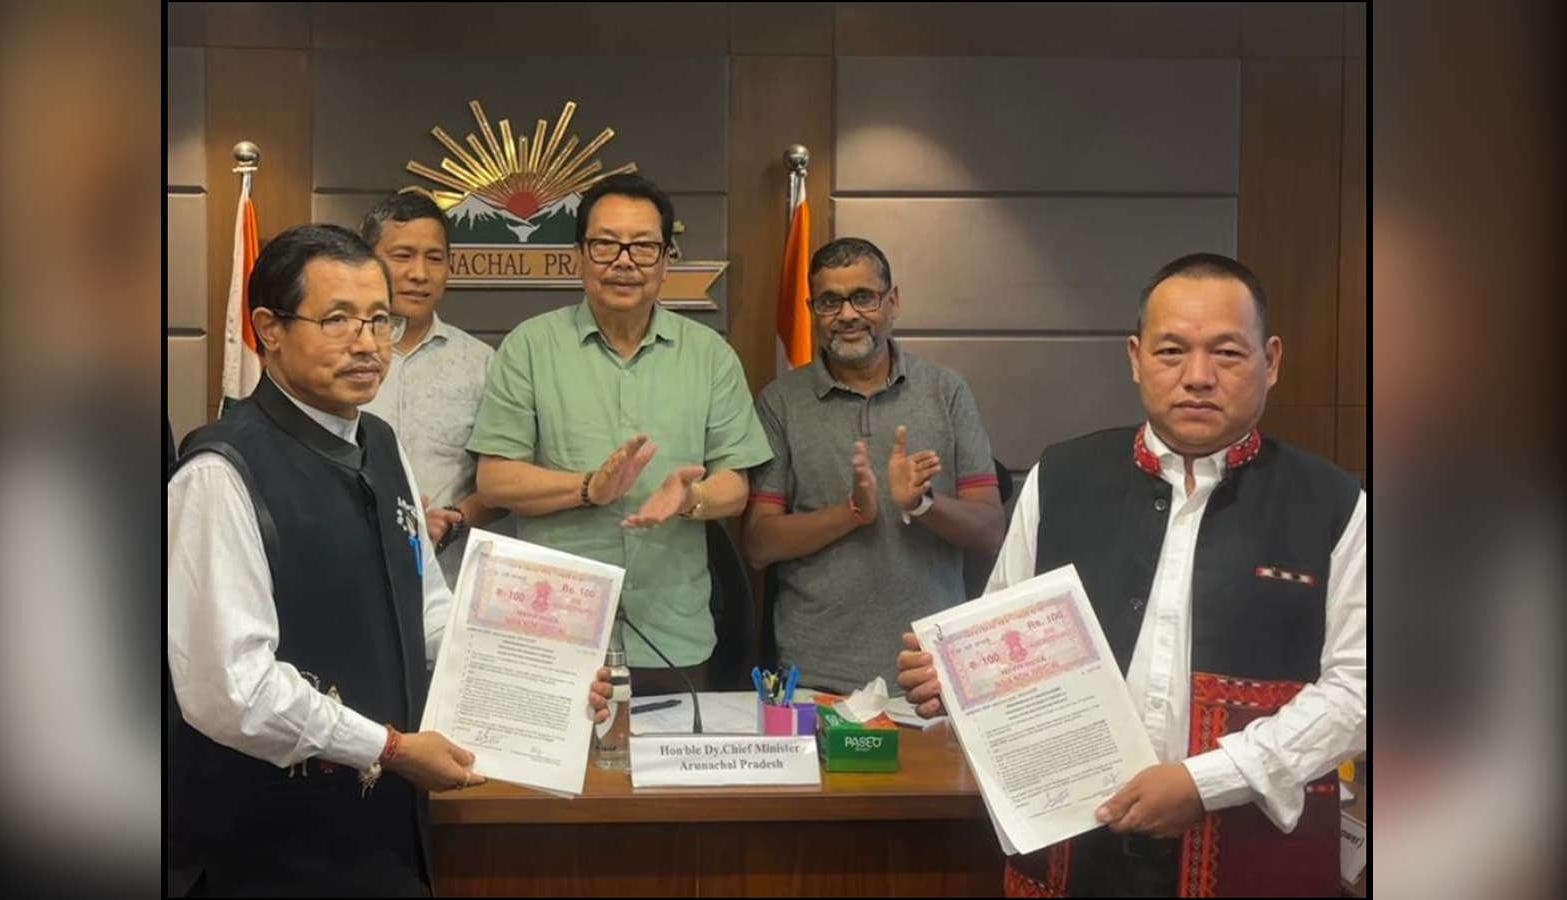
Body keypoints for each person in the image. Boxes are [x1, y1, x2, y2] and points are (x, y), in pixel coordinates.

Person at [897, 253, 1366, 897]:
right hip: (1074, 853)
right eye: (1171, 351)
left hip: (1253, 857)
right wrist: (955, 680)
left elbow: (1359, 688)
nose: (1197, 377)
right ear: (1136, 358)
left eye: (1227, 353)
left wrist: (1207, 782)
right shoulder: (1062, 478)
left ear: (1272, 360)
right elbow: (1003, 639)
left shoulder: (1333, 503)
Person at [167, 224, 612, 896]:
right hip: (269, 847)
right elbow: (234, 690)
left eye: (380, 320)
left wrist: (546, 676)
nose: (367, 343)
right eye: (337, 319)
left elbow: (425, 608)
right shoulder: (221, 471)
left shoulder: (380, 442)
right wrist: (393, 749)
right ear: (269, 329)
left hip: (387, 829)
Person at [466, 173, 772, 695]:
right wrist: (588, 488)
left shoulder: (711, 356)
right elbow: (494, 480)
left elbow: (736, 487)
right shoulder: (529, 348)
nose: (624, 261)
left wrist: (690, 499)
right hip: (553, 632)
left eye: (644, 247)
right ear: (578, 257)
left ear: (667, 260)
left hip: (672, 632)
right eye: (606, 244)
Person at [742, 237, 1004, 693]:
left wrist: (923, 505)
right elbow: (759, 544)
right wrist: (851, 513)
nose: (847, 315)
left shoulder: (946, 391)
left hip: (930, 672)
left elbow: (990, 531)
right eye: (830, 301)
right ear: (811, 310)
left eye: (863, 297)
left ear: (892, 301)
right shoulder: (780, 402)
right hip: (814, 676)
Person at [359, 191, 503, 585]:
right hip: (349, 575)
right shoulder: (338, 357)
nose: (419, 273)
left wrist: (455, 520)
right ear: (368, 261)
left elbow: (501, 483)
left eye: (434, 258)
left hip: (449, 580)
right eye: (403, 255)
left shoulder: (482, 364)